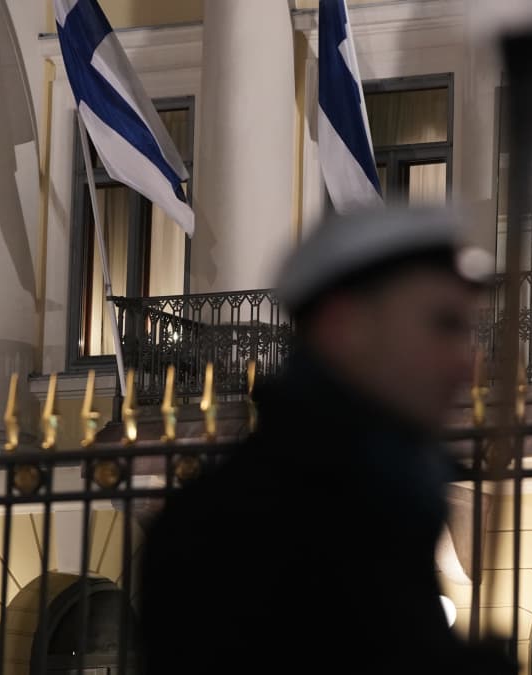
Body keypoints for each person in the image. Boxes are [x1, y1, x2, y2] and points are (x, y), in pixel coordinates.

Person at [138, 207, 512, 675]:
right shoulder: (240, 527)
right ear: (344, 326)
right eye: (443, 325)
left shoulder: (397, 495)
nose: (466, 363)